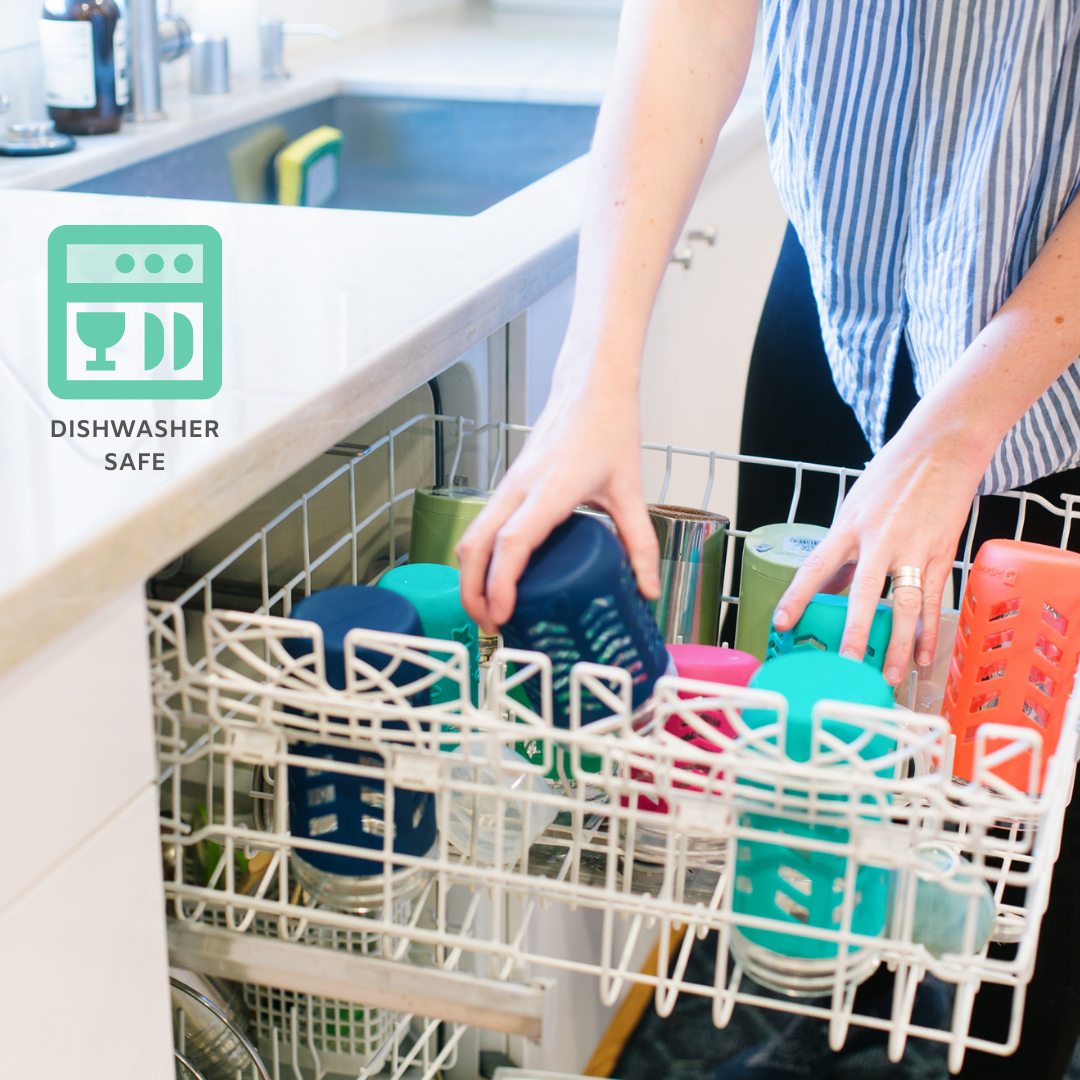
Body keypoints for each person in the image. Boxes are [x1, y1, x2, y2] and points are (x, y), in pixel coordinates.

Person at [456, 1, 1080, 1074]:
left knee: (1000, 922)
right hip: (844, 292)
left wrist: (959, 428)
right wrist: (591, 373)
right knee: (795, 849)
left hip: (1051, 362)